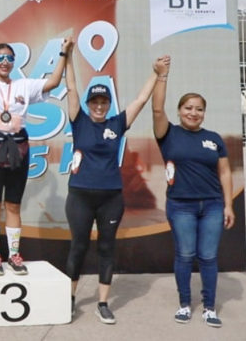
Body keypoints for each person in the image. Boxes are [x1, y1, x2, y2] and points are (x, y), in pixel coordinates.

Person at [64, 44, 168, 324]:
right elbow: (72, 88)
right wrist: (68, 56)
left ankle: (102, 303)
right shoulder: (79, 121)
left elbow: (141, 100)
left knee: (107, 247)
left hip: (111, 198)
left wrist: (156, 74)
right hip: (80, 195)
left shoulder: (117, 124)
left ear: (108, 104)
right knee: (78, 246)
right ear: (88, 105)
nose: (99, 106)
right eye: (94, 102)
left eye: (103, 102)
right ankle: (70, 299)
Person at [0, 0, 71, 276]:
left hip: (19, 148)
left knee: (13, 205)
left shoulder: (24, 86)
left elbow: (53, 82)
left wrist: (65, 53)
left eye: (9, 58)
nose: (4, 62)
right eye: (0, 57)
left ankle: (14, 254)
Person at [151, 57, 235, 328]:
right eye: (188, 108)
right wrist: (163, 76)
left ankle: (209, 307)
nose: (193, 113)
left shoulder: (214, 139)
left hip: (212, 205)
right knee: (185, 255)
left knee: (209, 256)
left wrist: (228, 205)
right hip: (181, 206)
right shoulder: (168, 134)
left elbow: (224, 173)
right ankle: (185, 304)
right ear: (179, 110)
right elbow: (156, 109)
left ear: (204, 113)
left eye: (199, 109)